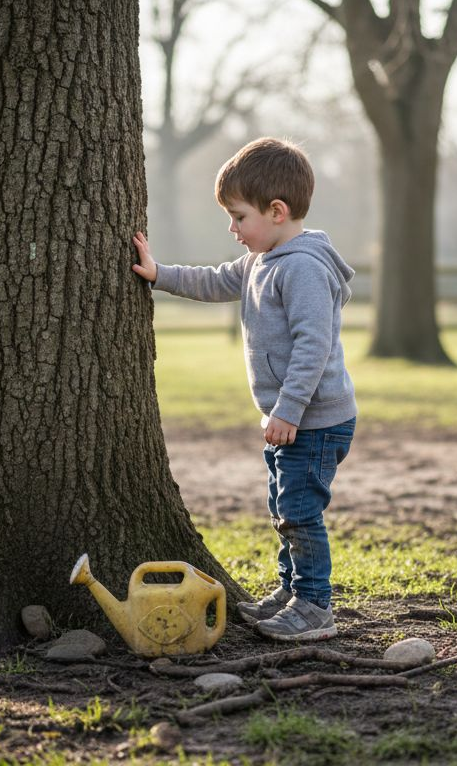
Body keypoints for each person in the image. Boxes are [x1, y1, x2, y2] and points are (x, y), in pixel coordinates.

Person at [130, 137, 356, 642]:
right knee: (284, 508)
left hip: (314, 420)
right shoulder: (262, 260)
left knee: (299, 511)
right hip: (289, 420)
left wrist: (290, 411)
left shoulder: (301, 268)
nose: (231, 229)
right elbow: (213, 282)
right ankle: (290, 589)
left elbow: (313, 347)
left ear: (277, 212)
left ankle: (315, 606)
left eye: (238, 217)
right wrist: (159, 274)